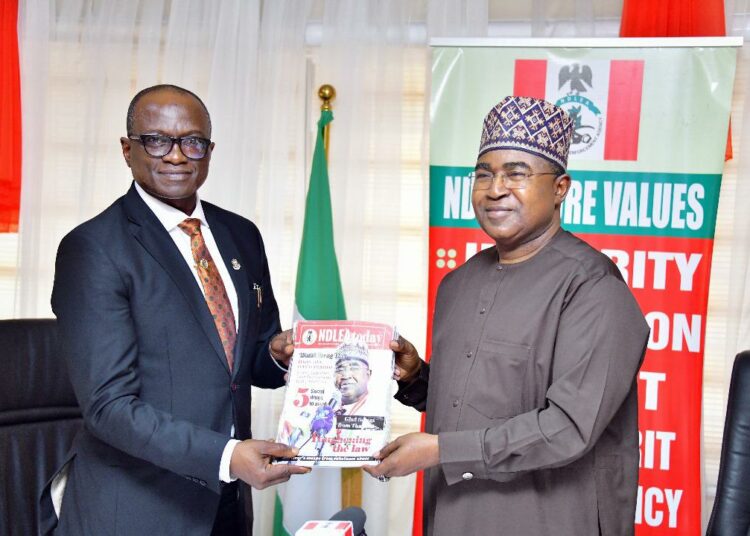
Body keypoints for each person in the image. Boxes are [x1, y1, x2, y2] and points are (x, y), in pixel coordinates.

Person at [364, 95, 650, 535]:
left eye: (516, 174)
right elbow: (479, 402)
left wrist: (441, 451)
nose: (495, 189)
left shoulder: (592, 286)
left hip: (547, 521)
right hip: (454, 516)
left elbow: (569, 427)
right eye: (484, 174)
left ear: (560, 188)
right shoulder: (457, 284)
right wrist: (417, 376)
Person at [40, 84, 309, 536]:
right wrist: (227, 456)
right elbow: (108, 406)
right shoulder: (93, 248)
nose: (177, 156)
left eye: (192, 142)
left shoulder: (241, 234)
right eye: (157, 141)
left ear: (210, 151)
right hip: (137, 509)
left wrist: (279, 353)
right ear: (127, 149)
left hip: (226, 503)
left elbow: (246, 364)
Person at [334, 340, 375, 416]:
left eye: (354, 368)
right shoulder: (327, 408)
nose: (346, 375)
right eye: (340, 369)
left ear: (368, 374)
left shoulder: (375, 409)